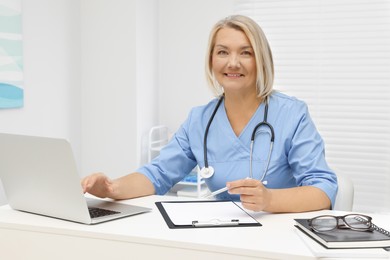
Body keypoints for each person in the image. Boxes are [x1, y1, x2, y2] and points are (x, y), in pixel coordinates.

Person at [82, 15, 337, 213]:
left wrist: (269, 200)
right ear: (211, 60)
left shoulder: (291, 114)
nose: (233, 63)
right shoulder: (200, 121)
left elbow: (323, 190)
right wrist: (111, 188)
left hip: (279, 239)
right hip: (222, 237)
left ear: (261, 60)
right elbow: (157, 175)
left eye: (245, 52)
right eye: (223, 52)